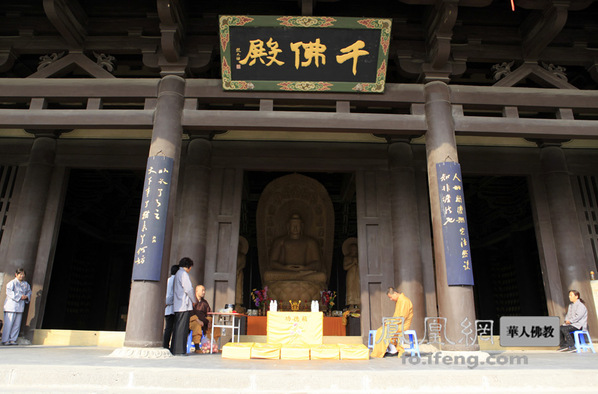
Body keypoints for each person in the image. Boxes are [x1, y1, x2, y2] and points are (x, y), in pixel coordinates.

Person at [263, 213, 326, 285]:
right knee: (267, 275)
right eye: (293, 225)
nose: (295, 228)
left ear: (302, 226)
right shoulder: (280, 241)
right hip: (285, 272)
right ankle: (296, 276)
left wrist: (304, 268)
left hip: (304, 273)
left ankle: (298, 276)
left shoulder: (310, 242)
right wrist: (285, 268)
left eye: (297, 225)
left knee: (322, 276)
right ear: (288, 226)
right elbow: (272, 263)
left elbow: (317, 264)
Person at [370, 287, 413, 358]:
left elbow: (401, 317)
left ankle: (391, 350)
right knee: (381, 330)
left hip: (402, 324)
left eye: (391, 297)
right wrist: (389, 322)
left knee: (384, 331)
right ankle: (391, 349)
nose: (391, 299)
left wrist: (390, 322)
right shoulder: (400, 301)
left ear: (395, 294)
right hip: (397, 323)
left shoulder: (404, 301)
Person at [171, 257, 197, 355]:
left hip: (178, 304)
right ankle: (180, 350)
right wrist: (193, 300)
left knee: (177, 328)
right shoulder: (184, 274)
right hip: (184, 305)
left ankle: (175, 348)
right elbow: (189, 289)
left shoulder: (177, 273)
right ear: (188, 266)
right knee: (182, 329)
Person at [2, 268, 32, 345]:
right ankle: (5, 340)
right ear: (16, 274)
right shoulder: (11, 283)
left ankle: (13, 339)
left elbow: (29, 292)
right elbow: (9, 292)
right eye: (20, 274)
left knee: (17, 324)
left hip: (20, 307)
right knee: (9, 324)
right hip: (11, 306)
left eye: (23, 274)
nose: (22, 276)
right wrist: (19, 296)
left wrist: (26, 296)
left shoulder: (26, 284)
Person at [189, 284, 219, 352]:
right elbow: (191, 313)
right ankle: (197, 347)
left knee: (216, 327)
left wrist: (209, 321)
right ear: (196, 291)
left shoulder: (204, 302)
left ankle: (211, 345)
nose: (204, 292)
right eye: (202, 290)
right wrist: (198, 321)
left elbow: (208, 312)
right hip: (193, 321)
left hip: (204, 321)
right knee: (197, 326)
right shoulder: (192, 301)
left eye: (204, 290)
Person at [163, 265, 179, 349]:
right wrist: (168, 302)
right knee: (170, 328)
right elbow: (170, 295)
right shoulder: (174, 281)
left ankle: (166, 345)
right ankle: (166, 345)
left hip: (169, 308)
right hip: (171, 307)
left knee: (169, 328)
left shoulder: (169, 280)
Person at [343, 239, 360, 308]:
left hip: (358, 274)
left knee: (358, 288)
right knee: (350, 288)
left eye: (355, 249)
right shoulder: (347, 257)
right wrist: (353, 263)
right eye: (352, 249)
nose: (354, 251)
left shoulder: (359, 257)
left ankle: (359, 303)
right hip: (351, 275)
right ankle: (351, 304)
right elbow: (345, 267)